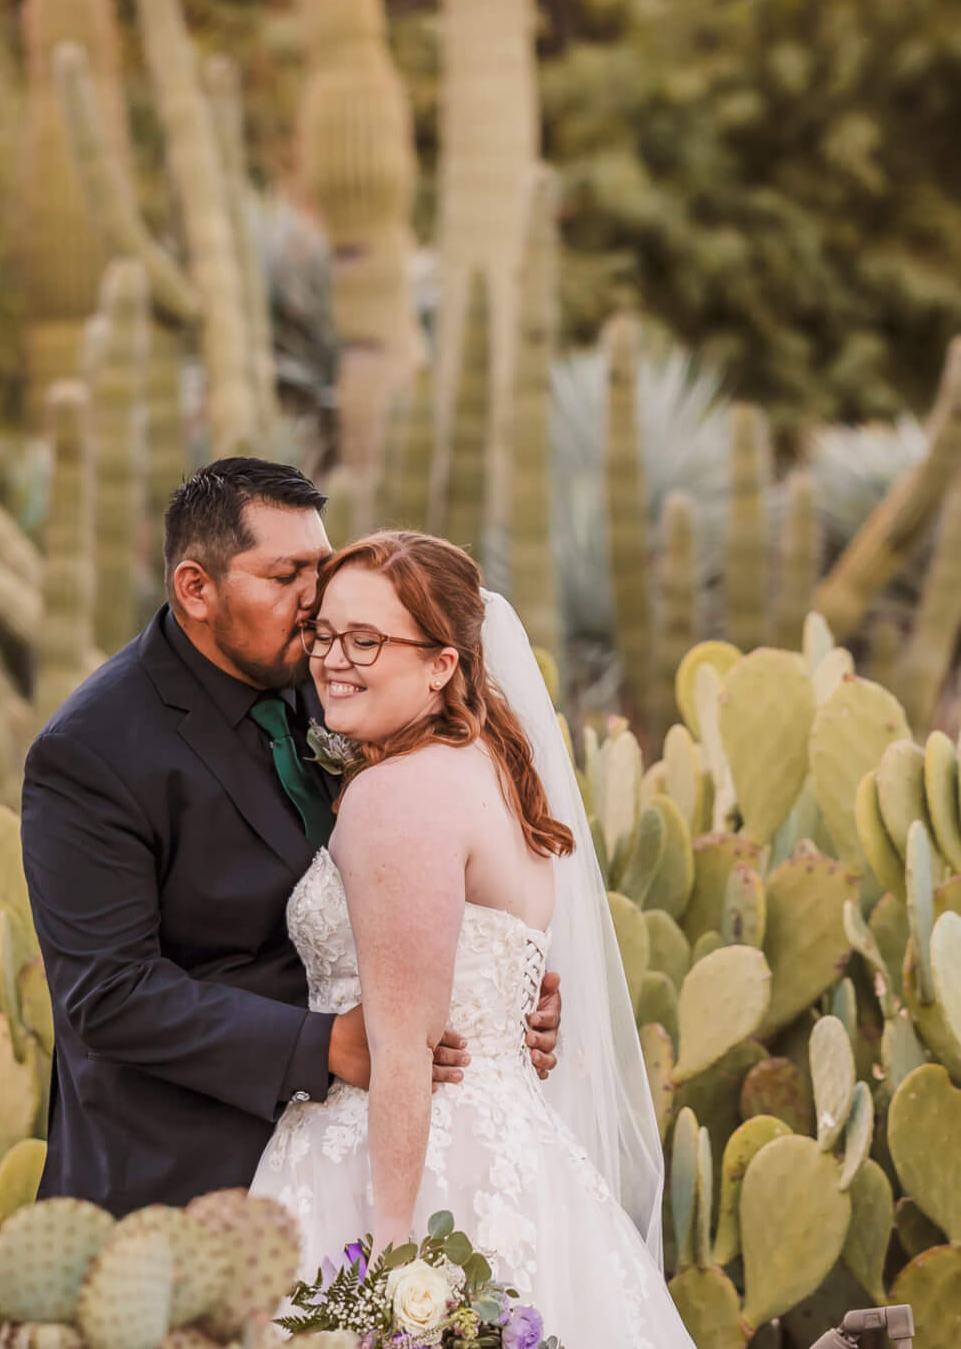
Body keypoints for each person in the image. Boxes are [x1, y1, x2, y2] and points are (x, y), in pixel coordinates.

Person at [20, 459, 562, 1214]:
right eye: (285, 578)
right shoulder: (92, 751)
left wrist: (493, 989)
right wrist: (325, 1045)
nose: (315, 605)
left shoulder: (339, 680)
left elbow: (427, 853)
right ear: (195, 590)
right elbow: (108, 994)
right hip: (185, 1180)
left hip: (368, 1147)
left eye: (322, 567)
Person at [249, 530, 693, 1348]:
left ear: (441, 665)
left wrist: (389, 1268)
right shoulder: (493, 765)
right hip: (517, 1161)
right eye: (326, 634)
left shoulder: (395, 795)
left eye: (367, 640)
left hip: (400, 1170)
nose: (332, 660)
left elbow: (403, 1047)